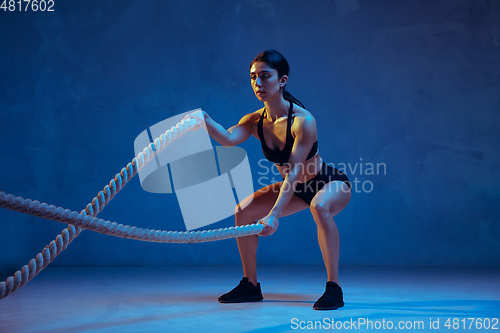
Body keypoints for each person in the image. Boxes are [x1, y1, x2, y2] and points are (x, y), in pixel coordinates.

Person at [185, 49, 351, 310]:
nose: (258, 84)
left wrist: (274, 214)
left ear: (282, 80)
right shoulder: (254, 121)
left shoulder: (303, 121)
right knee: (243, 211)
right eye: (253, 78)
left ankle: (334, 288)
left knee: (319, 208)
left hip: (328, 183)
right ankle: (250, 285)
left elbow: (295, 171)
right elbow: (228, 139)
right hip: (295, 190)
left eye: (265, 76)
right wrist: (203, 119)